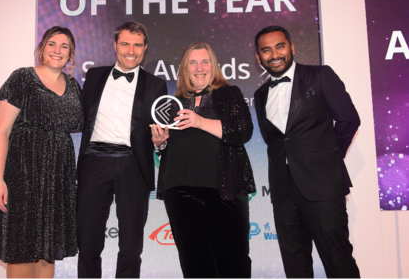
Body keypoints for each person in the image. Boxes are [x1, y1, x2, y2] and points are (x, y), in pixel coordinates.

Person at [253, 25, 361, 279]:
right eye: (266, 50)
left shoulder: (321, 76)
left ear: (291, 47)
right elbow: (275, 140)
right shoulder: (260, 95)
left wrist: (329, 156)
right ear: (258, 58)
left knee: (337, 259)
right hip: (283, 190)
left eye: (279, 46)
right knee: (295, 264)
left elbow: (348, 120)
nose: (274, 54)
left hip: (323, 185)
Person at [0, 26, 84, 279]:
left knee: (48, 248)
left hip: (57, 175)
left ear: (71, 53)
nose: (57, 50)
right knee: (21, 246)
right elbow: (2, 133)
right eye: (52, 44)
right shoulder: (22, 78)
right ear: (41, 48)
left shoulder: (73, 86)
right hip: (22, 171)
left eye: (64, 46)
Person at [152, 42, 256, 279]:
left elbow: (242, 131)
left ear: (214, 66)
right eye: (193, 62)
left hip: (224, 189)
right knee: (195, 265)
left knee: (233, 263)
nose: (199, 68)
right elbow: (167, 151)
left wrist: (200, 122)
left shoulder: (229, 94)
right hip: (180, 191)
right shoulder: (172, 102)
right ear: (185, 69)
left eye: (205, 61)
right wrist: (160, 143)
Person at [76, 21, 167, 279]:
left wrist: (160, 142)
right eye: (125, 43)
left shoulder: (155, 85)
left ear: (145, 48)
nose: (131, 50)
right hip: (94, 162)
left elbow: (158, 132)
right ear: (115, 45)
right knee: (88, 240)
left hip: (133, 166)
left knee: (131, 244)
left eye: (137, 45)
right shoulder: (94, 76)